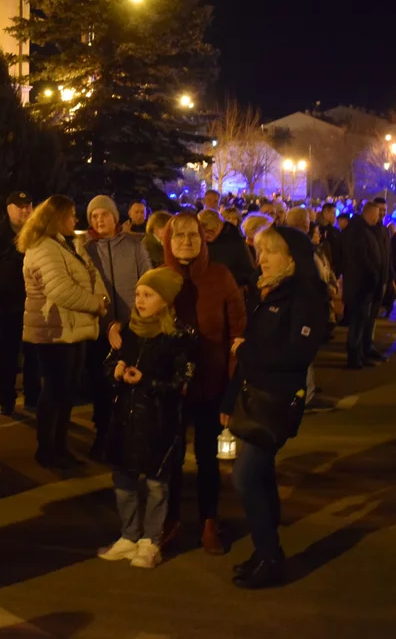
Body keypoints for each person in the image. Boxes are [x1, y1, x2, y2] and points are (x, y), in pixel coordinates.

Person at [223, 226, 329, 589]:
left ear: (292, 258)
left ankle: (270, 557)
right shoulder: (267, 291)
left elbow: (297, 355)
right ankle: (266, 551)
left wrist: (245, 351)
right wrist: (230, 396)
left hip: (277, 400)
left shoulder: (304, 296)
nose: (261, 259)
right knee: (261, 476)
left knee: (245, 476)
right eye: (259, 251)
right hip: (255, 396)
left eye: (270, 252)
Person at [156, 212, 246, 553]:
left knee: (208, 457)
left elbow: (238, 329)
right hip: (171, 385)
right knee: (172, 455)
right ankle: (172, 517)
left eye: (193, 235)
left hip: (211, 381)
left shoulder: (220, 276)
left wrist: (232, 382)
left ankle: (210, 519)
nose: (187, 242)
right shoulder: (160, 277)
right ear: (168, 240)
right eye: (179, 236)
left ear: (203, 238)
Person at [98, 268, 193, 570]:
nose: (139, 300)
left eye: (148, 295)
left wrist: (146, 381)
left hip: (158, 421)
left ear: (164, 300)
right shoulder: (128, 330)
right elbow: (109, 363)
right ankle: (128, 534)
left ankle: (151, 540)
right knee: (123, 479)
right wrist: (115, 370)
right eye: (138, 294)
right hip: (124, 418)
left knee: (155, 484)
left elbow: (182, 381)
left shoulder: (178, 337)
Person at [20, 196, 106, 468]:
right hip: (54, 331)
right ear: (57, 218)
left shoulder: (66, 245)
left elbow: (92, 275)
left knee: (66, 391)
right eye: (71, 215)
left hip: (73, 329)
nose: (75, 220)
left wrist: (101, 298)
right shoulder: (44, 248)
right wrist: (95, 304)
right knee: (55, 390)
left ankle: (60, 446)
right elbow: (60, 290)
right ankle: (47, 449)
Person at [84, 196, 153, 457]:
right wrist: (106, 324)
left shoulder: (136, 246)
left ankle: (127, 438)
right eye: (94, 216)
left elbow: (148, 284)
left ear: (115, 217)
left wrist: (125, 321)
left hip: (132, 327)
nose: (100, 220)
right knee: (100, 386)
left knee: (128, 384)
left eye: (104, 214)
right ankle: (102, 435)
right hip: (99, 330)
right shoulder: (87, 250)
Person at [0, 191, 37, 415]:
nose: (25, 210)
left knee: (33, 353)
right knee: (8, 353)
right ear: (9, 209)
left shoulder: (38, 233)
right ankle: (7, 398)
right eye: (20, 206)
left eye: (28, 205)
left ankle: (32, 397)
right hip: (7, 304)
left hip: (35, 305)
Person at [342, 201, 388, 369]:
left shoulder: (369, 230)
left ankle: (361, 354)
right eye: (376, 214)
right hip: (360, 286)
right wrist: (373, 276)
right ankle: (354, 358)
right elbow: (362, 259)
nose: (378, 218)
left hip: (367, 285)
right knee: (357, 323)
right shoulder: (358, 232)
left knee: (362, 322)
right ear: (368, 214)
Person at [199, 209, 258, 306]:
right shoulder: (203, 242)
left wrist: (223, 278)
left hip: (230, 295)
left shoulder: (235, 241)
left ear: (219, 226)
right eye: (202, 232)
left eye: (210, 231)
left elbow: (248, 271)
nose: (206, 235)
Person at [317, 202, 344, 278]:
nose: (335, 216)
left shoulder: (334, 231)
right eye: (333, 213)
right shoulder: (320, 230)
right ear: (326, 213)